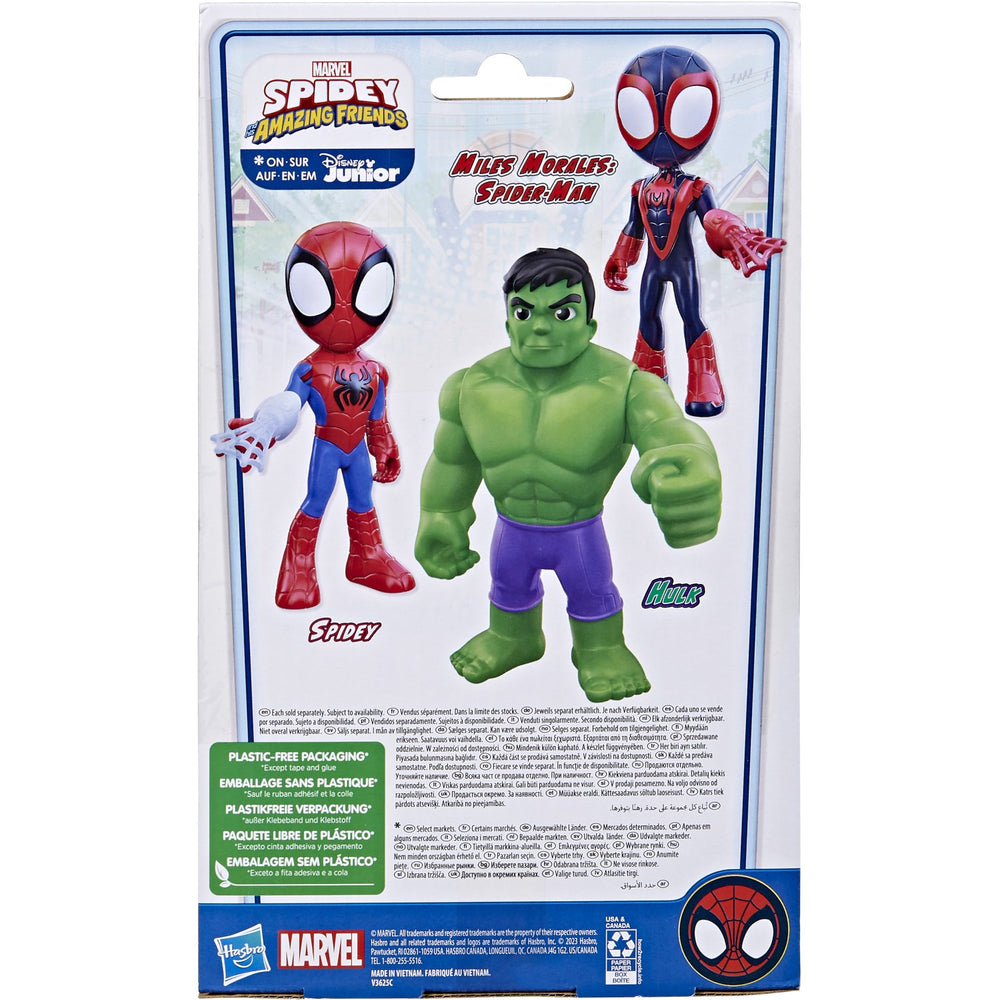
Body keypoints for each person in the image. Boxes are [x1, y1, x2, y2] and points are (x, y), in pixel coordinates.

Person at [415, 247, 721, 702]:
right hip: (510, 530)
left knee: (592, 591)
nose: (540, 326)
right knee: (507, 586)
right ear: (508, 321)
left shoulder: (625, 385)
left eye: (562, 312)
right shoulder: (471, 386)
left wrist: (687, 460)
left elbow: (666, 429)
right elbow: (452, 462)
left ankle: (601, 649)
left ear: (589, 324)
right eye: (524, 311)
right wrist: (440, 515)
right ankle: (513, 638)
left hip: (579, 532)